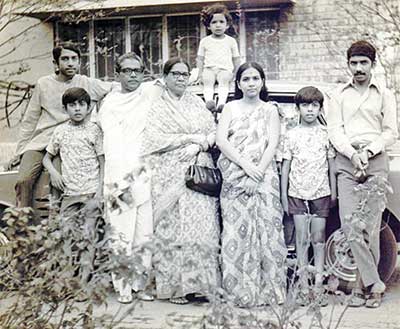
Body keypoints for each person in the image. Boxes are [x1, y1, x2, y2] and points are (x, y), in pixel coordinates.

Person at [142, 58, 220, 305]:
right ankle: (175, 288)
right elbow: (153, 140)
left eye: (185, 74)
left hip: (197, 174)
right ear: (165, 77)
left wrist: (200, 143)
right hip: (167, 174)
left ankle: (200, 286)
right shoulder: (155, 107)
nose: (180, 78)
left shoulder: (197, 103)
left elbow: (213, 132)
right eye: (175, 74)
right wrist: (189, 138)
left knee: (202, 229)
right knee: (172, 230)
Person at [327, 40, 398, 308]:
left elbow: (390, 131)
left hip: (375, 159)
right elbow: (334, 130)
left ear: (372, 64)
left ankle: (362, 287)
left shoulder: (384, 94)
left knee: (370, 227)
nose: (358, 68)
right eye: (354, 63)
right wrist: (352, 153)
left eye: (363, 63)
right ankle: (374, 282)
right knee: (350, 226)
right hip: (346, 160)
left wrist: (368, 151)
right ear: (348, 65)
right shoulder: (338, 95)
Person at [216, 62, 287, 307]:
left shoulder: (269, 110)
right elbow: (221, 141)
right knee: (236, 232)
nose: (251, 83)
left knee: (267, 232)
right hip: (235, 176)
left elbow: (272, 143)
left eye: (256, 78)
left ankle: (271, 292)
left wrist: (256, 175)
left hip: (264, 178)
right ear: (238, 84)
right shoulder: (230, 108)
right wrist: (245, 167)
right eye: (246, 79)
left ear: (262, 81)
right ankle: (239, 293)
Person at [9, 43, 113, 208]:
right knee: (23, 179)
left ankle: (55, 225)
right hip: (41, 141)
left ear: (79, 62)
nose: (70, 63)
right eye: (65, 59)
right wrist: (19, 152)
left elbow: (115, 87)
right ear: (56, 63)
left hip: (67, 143)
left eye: (74, 59)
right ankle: (23, 222)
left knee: (58, 181)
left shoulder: (86, 82)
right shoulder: (43, 84)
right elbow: (30, 120)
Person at [97, 52, 161, 304]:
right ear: (118, 74)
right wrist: (122, 183)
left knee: (143, 234)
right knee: (122, 233)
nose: (133, 74)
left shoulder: (147, 94)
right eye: (127, 70)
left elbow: (179, 78)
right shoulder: (110, 104)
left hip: (146, 174)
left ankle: (140, 284)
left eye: (137, 70)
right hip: (121, 176)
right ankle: (123, 286)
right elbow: (113, 146)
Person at [42, 87, 104, 283]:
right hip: (69, 194)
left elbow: (103, 162)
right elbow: (47, 158)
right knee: (67, 237)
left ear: (88, 107)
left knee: (88, 238)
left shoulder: (95, 130)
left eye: (81, 105)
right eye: (72, 105)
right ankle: (69, 279)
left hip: (91, 193)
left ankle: (84, 282)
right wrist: (54, 173)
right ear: (65, 108)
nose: (77, 109)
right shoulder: (60, 131)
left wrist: (100, 191)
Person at [280, 86, 336, 301]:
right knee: (301, 240)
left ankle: (319, 285)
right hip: (296, 192)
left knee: (318, 239)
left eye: (314, 105)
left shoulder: (326, 134)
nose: (310, 110)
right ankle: (304, 286)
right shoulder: (291, 135)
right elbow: (285, 167)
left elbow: (331, 165)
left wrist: (333, 192)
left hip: (321, 192)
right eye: (305, 105)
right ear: (298, 108)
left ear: (320, 108)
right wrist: (284, 197)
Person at [196, 3, 240, 113]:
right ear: (208, 26)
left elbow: (236, 59)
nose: (218, 25)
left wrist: (236, 73)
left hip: (224, 69)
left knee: (224, 81)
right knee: (207, 81)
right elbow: (200, 59)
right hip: (209, 69)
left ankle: (221, 103)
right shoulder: (205, 41)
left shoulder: (231, 41)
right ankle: (209, 101)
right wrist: (200, 73)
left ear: (227, 25)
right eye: (214, 22)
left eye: (221, 22)